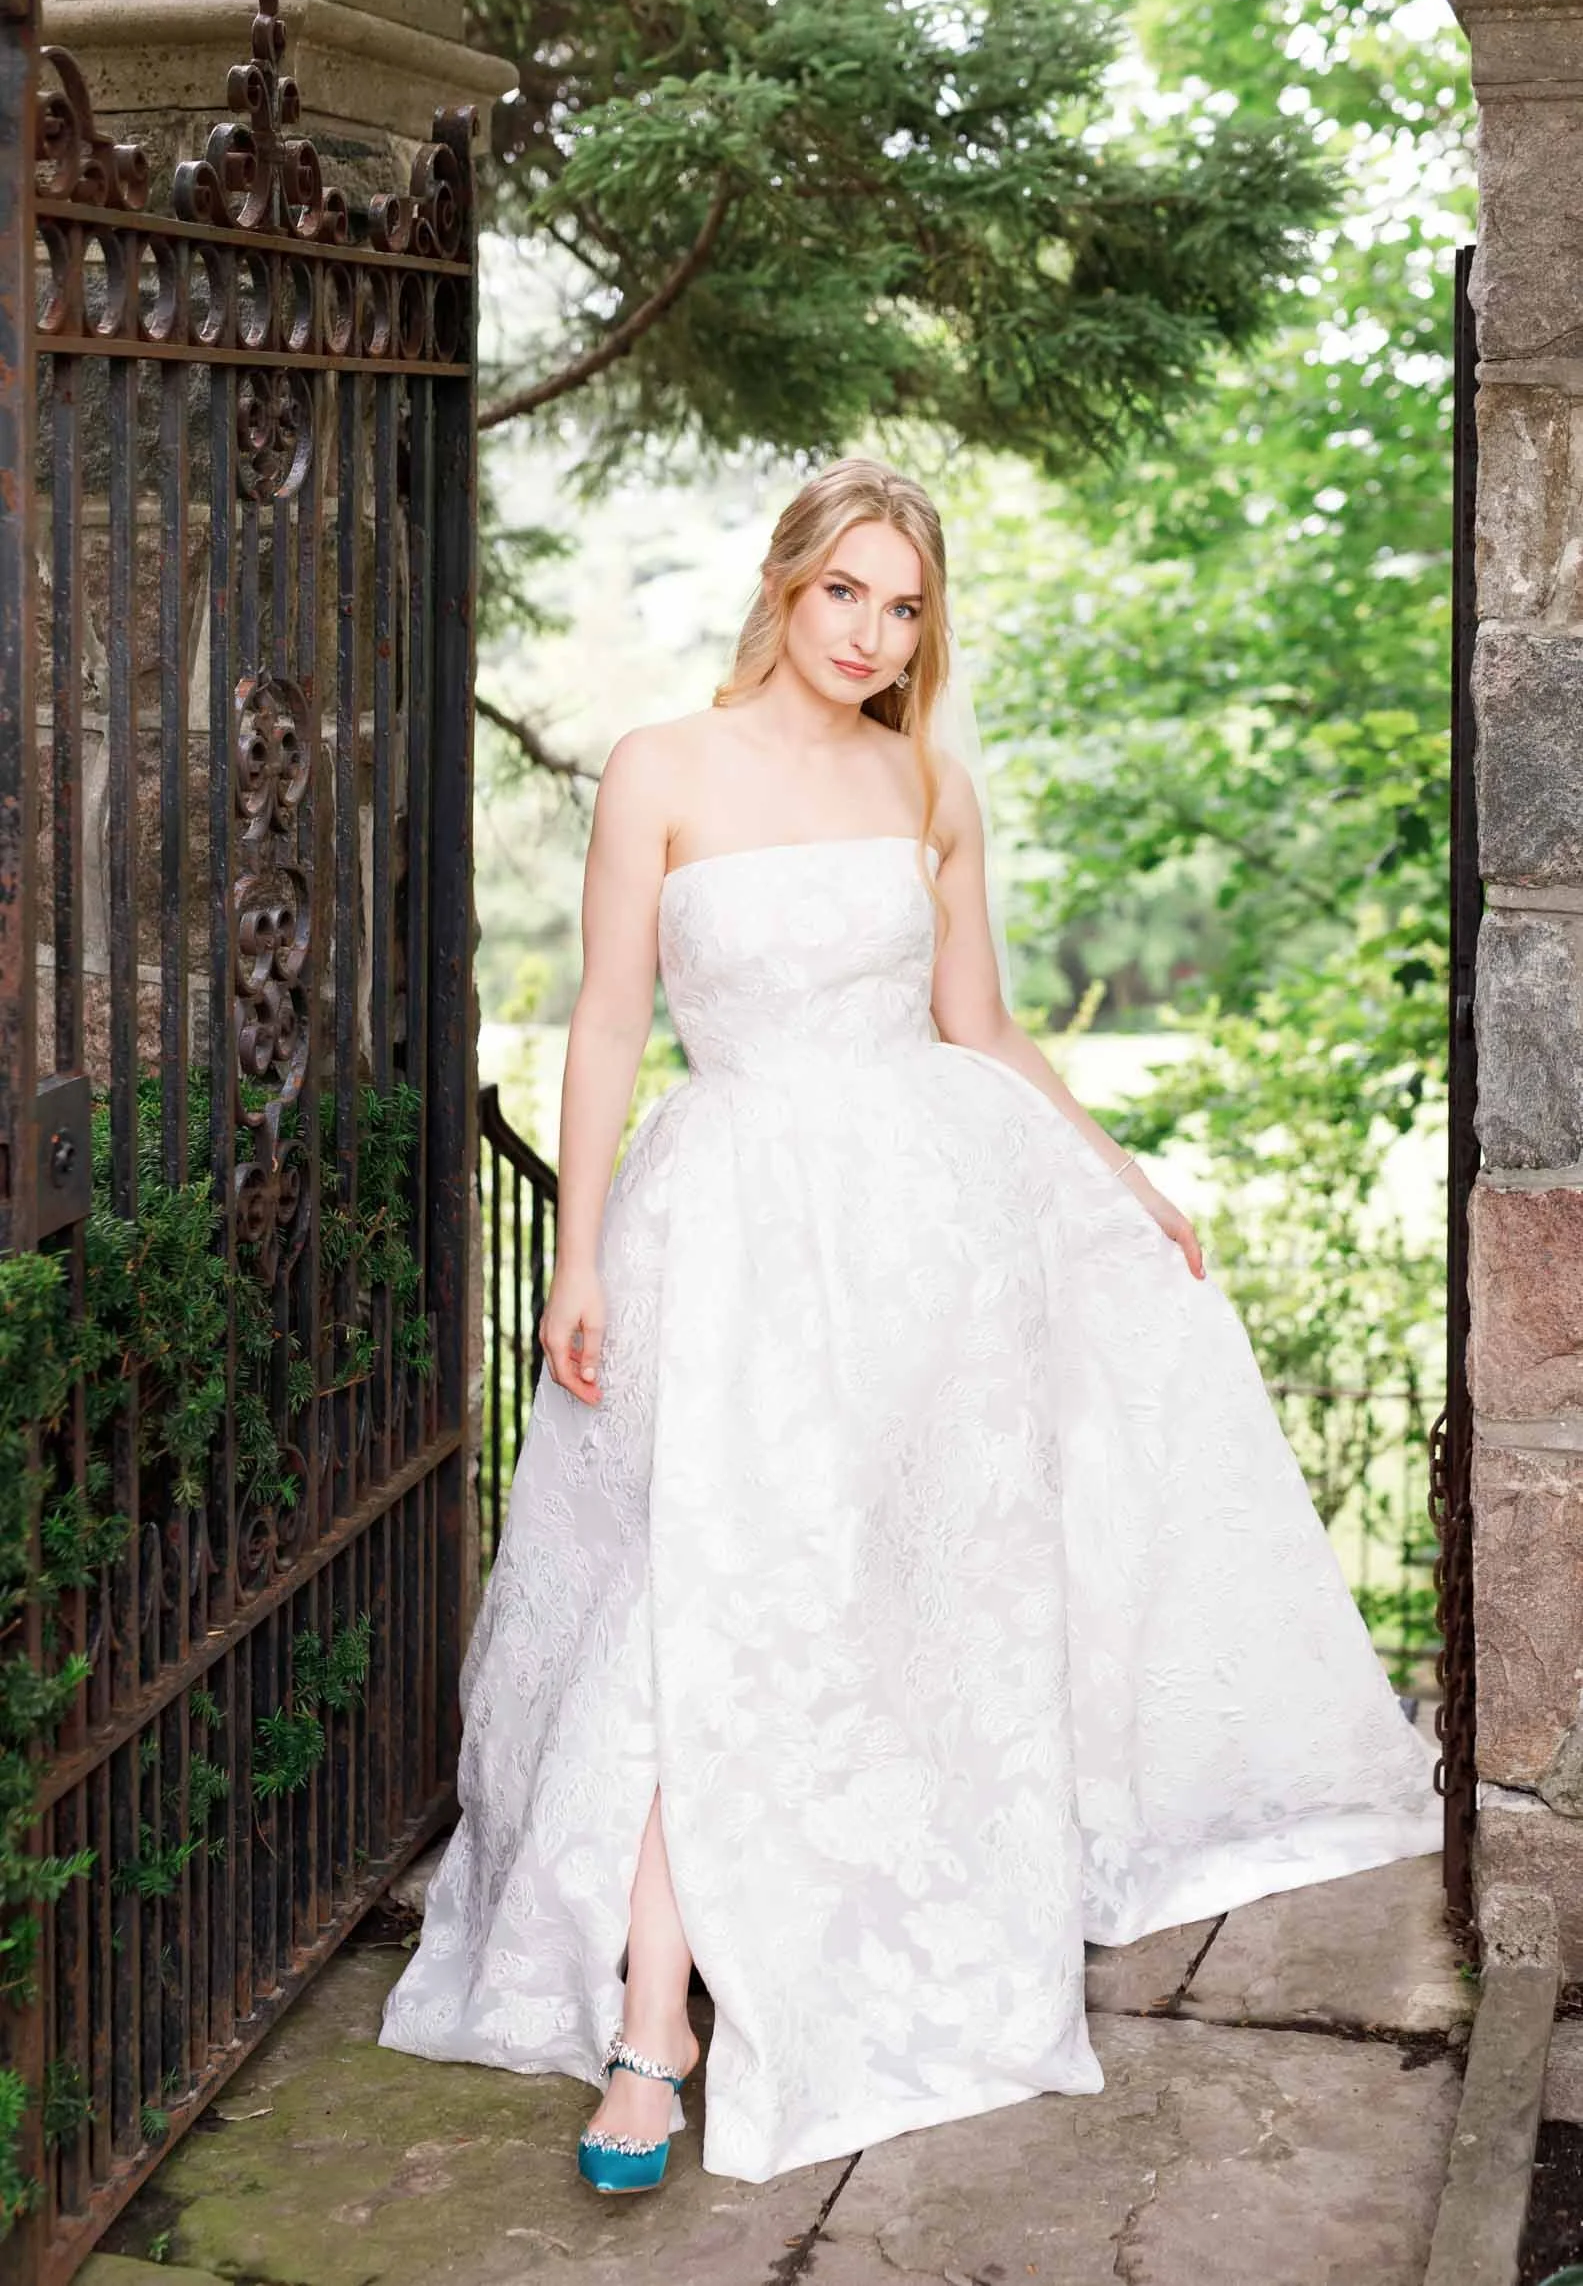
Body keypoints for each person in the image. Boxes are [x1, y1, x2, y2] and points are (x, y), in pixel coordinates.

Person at [377, 456, 1442, 2195]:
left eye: (903, 606)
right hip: (721, 1235)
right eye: (844, 593)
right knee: (689, 1589)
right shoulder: (663, 769)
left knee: (832, 1603)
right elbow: (602, 1030)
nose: (872, 632)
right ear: (784, 586)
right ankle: (659, 2019)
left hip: (915, 1248)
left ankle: (754, 1953)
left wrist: (1123, 1181)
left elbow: (983, 1033)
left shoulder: (924, 784)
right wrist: (577, 1259)